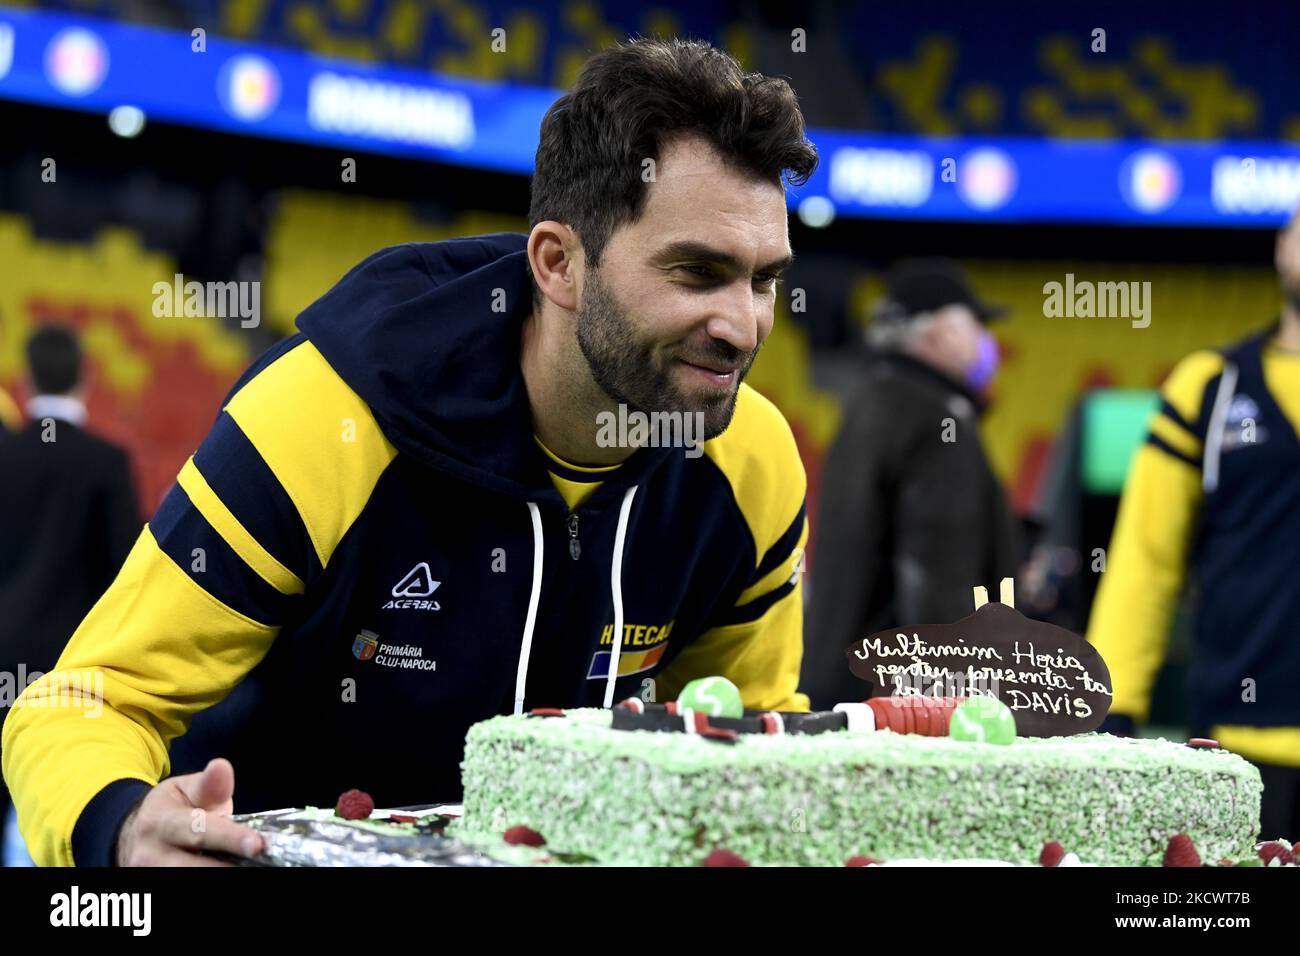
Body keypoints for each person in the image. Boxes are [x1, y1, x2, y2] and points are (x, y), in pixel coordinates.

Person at [2, 38, 819, 867]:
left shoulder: (749, 459)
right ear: (558, 263)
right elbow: (81, 703)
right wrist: (126, 831)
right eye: (697, 272)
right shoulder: (326, 417)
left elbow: (748, 737)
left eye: (762, 281)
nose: (742, 327)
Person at [1087, 211, 1300, 843]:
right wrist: (1114, 702)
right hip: (1237, 745)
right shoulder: (1207, 387)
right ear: (1282, 246)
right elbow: (1145, 560)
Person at [801, 258, 1022, 709]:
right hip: (898, 710)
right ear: (940, 331)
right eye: (977, 325)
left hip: (843, 689)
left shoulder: (870, 401)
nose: (987, 342)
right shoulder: (940, 419)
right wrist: (948, 707)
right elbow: (935, 579)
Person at [0, 325, 139, 863]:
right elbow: (123, 577)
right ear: (86, 376)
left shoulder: (5, 455)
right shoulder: (105, 462)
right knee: (61, 811)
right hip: (71, 669)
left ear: (25, 379)